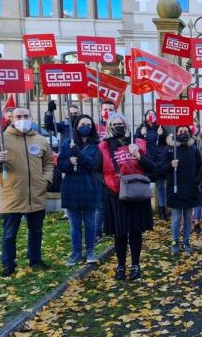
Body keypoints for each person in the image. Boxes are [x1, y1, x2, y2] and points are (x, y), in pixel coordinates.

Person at [0, 108, 54, 277]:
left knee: (36, 231)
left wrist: (46, 180)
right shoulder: (1, 139)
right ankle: (8, 264)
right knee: (9, 234)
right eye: (18, 117)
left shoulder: (41, 140)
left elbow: (48, 163)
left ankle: (35, 260)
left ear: (31, 117)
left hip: (36, 194)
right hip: (12, 194)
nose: (23, 119)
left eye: (26, 116)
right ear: (12, 120)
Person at [99, 113, 155, 280]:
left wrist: (139, 155)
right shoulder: (104, 146)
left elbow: (152, 168)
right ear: (109, 127)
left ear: (126, 125)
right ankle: (121, 265)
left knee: (135, 231)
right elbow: (96, 167)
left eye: (121, 124)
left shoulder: (137, 143)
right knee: (120, 233)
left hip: (136, 193)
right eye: (115, 124)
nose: (118, 127)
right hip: (115, 194)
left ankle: (136, 265)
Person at [58, 114, 102, 266]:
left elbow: (93, 164)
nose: (86, 127)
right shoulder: (66, 143)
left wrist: (77, 153)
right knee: (74, 224)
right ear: (76, 127)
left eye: (89, 124)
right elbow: (60, 166)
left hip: (89, 187)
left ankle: (90, 251)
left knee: (90, 223)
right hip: (71, 188)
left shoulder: (97, 145)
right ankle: (76, 252)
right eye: (83, 124)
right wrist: (69, 162)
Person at [160, 125, 202, 255]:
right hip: (175, 188)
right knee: (177, 217)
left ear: (189, 133)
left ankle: (186, 241)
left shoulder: (194, 149)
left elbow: (199, 167)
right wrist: (170, 165)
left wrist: (195, 181)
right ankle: (175, 242)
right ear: (176, 133)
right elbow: (161, 168)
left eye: (185, 131)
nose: (183, 133)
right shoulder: (170, 149)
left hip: (190, 188)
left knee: (188, 217)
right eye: (180, 131)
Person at [135, 110, 168, 221]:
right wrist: (140, 133)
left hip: (158, 161)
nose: (150, 116)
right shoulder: (141, 128)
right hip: (146, 161)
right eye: (148, 114)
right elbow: (136, 141)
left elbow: (167, 141)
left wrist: (162, 134)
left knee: (160, 187)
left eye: (153, 114)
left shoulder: (160, 128)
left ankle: (162, 211)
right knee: (146, 187)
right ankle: (147, 211)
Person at [95, 100, 117, 240]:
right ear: (101, 111)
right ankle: (97, 232)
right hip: (99, 170)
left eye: (111, 109)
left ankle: (112, 228)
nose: (108, 111)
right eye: (105, 109)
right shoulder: (96, 128)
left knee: (114, 203)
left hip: (114, 170)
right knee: (100, 204)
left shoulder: (118, 127)